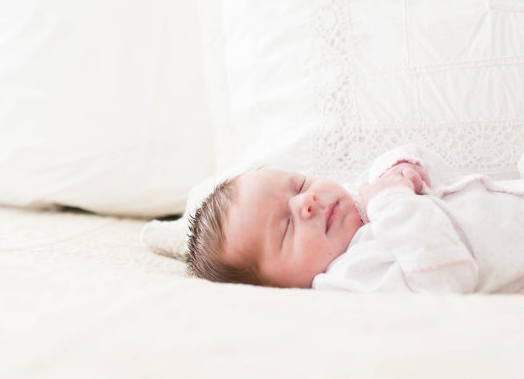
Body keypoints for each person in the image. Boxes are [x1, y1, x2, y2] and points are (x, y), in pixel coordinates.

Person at [186, 144, 524, 293]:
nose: (306, 201)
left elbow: (433, 179)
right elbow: (447, 281)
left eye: (299, 185)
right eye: (286, 227)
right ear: (279, 288)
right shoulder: (352, 273)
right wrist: (392, 200)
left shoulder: (361, 207)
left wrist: (401, 168)